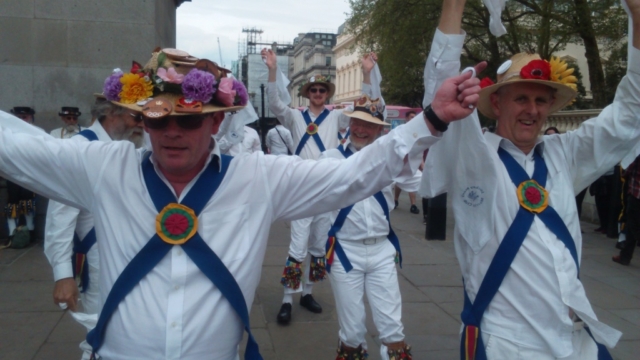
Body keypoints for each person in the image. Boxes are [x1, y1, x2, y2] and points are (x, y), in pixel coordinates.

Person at [0, 46, 480, 359]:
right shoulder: (103, 167)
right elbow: (18, 148)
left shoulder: (256, 177)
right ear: (140, 122)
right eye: (156, 119)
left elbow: (349, 175)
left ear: (216, 124)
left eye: (188, 121)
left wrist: (432, 119)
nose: (171, 132)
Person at [420, 0, 640, 358]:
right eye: (521, 97)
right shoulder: (472, 155)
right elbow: (439, 84)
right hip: (507, 344)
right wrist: (454, 5)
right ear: (499, 104)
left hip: (573, 339)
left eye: (541, 100)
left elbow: (631, 112)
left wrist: (636, 13)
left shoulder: (564, 154)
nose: (533, 110)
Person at [262, 48, 379, 324]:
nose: (317, 93)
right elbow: (275, 103)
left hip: (328, 189)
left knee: (318, 244)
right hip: (302, 189)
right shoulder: (293, 116)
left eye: (321, 90)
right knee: (298, 245)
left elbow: (362, 107)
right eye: (313, 89)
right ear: (307, 93)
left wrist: (366, 74)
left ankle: (308, 293)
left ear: (327, 94)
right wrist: (271, 70)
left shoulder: (337, 117)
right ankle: (288, 298)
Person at [44, 97, 144, 360]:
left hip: (136, 255)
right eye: (137, 117)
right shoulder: (78, 148)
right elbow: (59, 218)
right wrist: (63, 275)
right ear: (112, 112)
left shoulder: (132, 147)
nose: (142, 125)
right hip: (100, 258)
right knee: (100, 330)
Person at [321, 96, 414, 359]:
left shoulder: (391, 161)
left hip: (382, 251)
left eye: (369, 125)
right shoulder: (330, 159)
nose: (361, 129)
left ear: (380, 130)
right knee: (351, 332)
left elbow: (425, 185)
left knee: (393, 330)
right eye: (357, 122)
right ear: (349, 123)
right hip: (345, 252)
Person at [3, 107, 41, 246]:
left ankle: (30, 232)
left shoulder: (38, 133)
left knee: (28, 202)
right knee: (12, 203)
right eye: (19, 117)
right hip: (12, 172)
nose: (21, 120)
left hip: (30, 173)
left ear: (31, 117)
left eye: (24, 117)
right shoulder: (7, 133)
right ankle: (12, 234)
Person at [613, 155, 640, 265]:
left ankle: (625, 256)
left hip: (636, 194)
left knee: (634, 225)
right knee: (630, 226)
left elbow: (625, 170)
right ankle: (625, 256)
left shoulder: (636, 152)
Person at [393, 111, 422, 214]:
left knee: (411, 180)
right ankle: (395, 199)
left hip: (412, 161)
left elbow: (419, 149)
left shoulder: (418, 131)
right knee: (400, 181)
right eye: (411, 117)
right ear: (406, 118)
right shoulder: (402, 130)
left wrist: (422, 165)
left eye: (415, 117)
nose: (413, 118)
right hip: (401, 160)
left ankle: (413, 205)